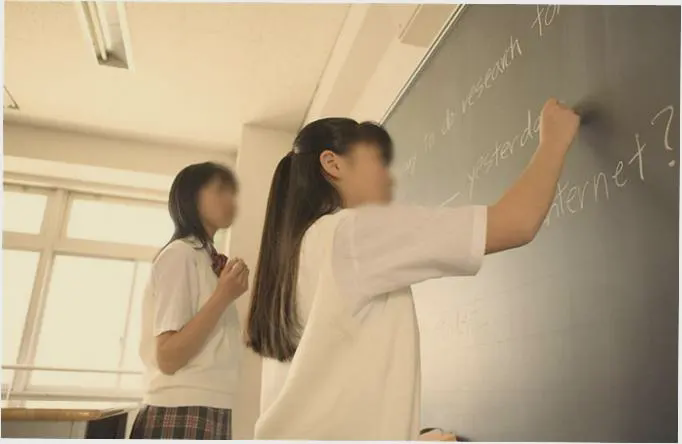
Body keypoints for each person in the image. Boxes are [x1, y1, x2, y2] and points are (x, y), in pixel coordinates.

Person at [245, 98, 580, 440]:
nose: (388, 176)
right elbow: (515, 223)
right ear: (333, 163)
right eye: (376, 161)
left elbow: (329, 394)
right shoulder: (353, 232)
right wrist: (553, 141)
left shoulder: (296, 253)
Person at [130, 162, 249, 440]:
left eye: (232, 192)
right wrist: (224, 295)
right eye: (220, 189)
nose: (231, 200)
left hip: (207, 404)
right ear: (191, 196)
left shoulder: (204, 257)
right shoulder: (180, 254)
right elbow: (169, 357)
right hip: (182, 406)